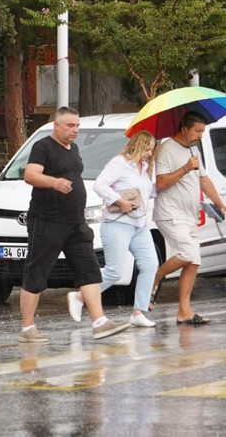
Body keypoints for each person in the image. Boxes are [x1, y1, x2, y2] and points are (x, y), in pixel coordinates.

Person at [19, 106, 130, 343]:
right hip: (47, 220)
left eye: (77, 126)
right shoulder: (43, 147)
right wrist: (53, 182)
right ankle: (28, 328)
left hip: (75, 222)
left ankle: (99, 321)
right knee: (36, 272)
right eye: (70, 125)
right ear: (56, 125)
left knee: (89, 269)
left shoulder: (75, 148)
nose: (75, 130)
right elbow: (30, 175)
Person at [67, 131, 158, 328]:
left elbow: (149, 192)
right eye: (147, 149)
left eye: (152, 150)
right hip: (117, 223)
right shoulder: (120, 163)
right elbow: (100, 185)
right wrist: (119, 201)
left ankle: (138, 312)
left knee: (151, 264)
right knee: (115, 271)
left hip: (139, 225)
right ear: (138, 146)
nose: (150, 154)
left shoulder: (146, 168)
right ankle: (79, 297)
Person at [151, 111, 225, 325]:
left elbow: (203, 179)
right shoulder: (166, 149)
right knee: (187, 253)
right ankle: (156, 276)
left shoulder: (194, 151)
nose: (201, 135)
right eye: (198, 131)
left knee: (193, 261)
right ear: (184, 128)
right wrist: (185, 168)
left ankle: (184, 311)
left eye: (203, 131)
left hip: (190, 215)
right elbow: (161, 183)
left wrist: (219, 202)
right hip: (170, 213)